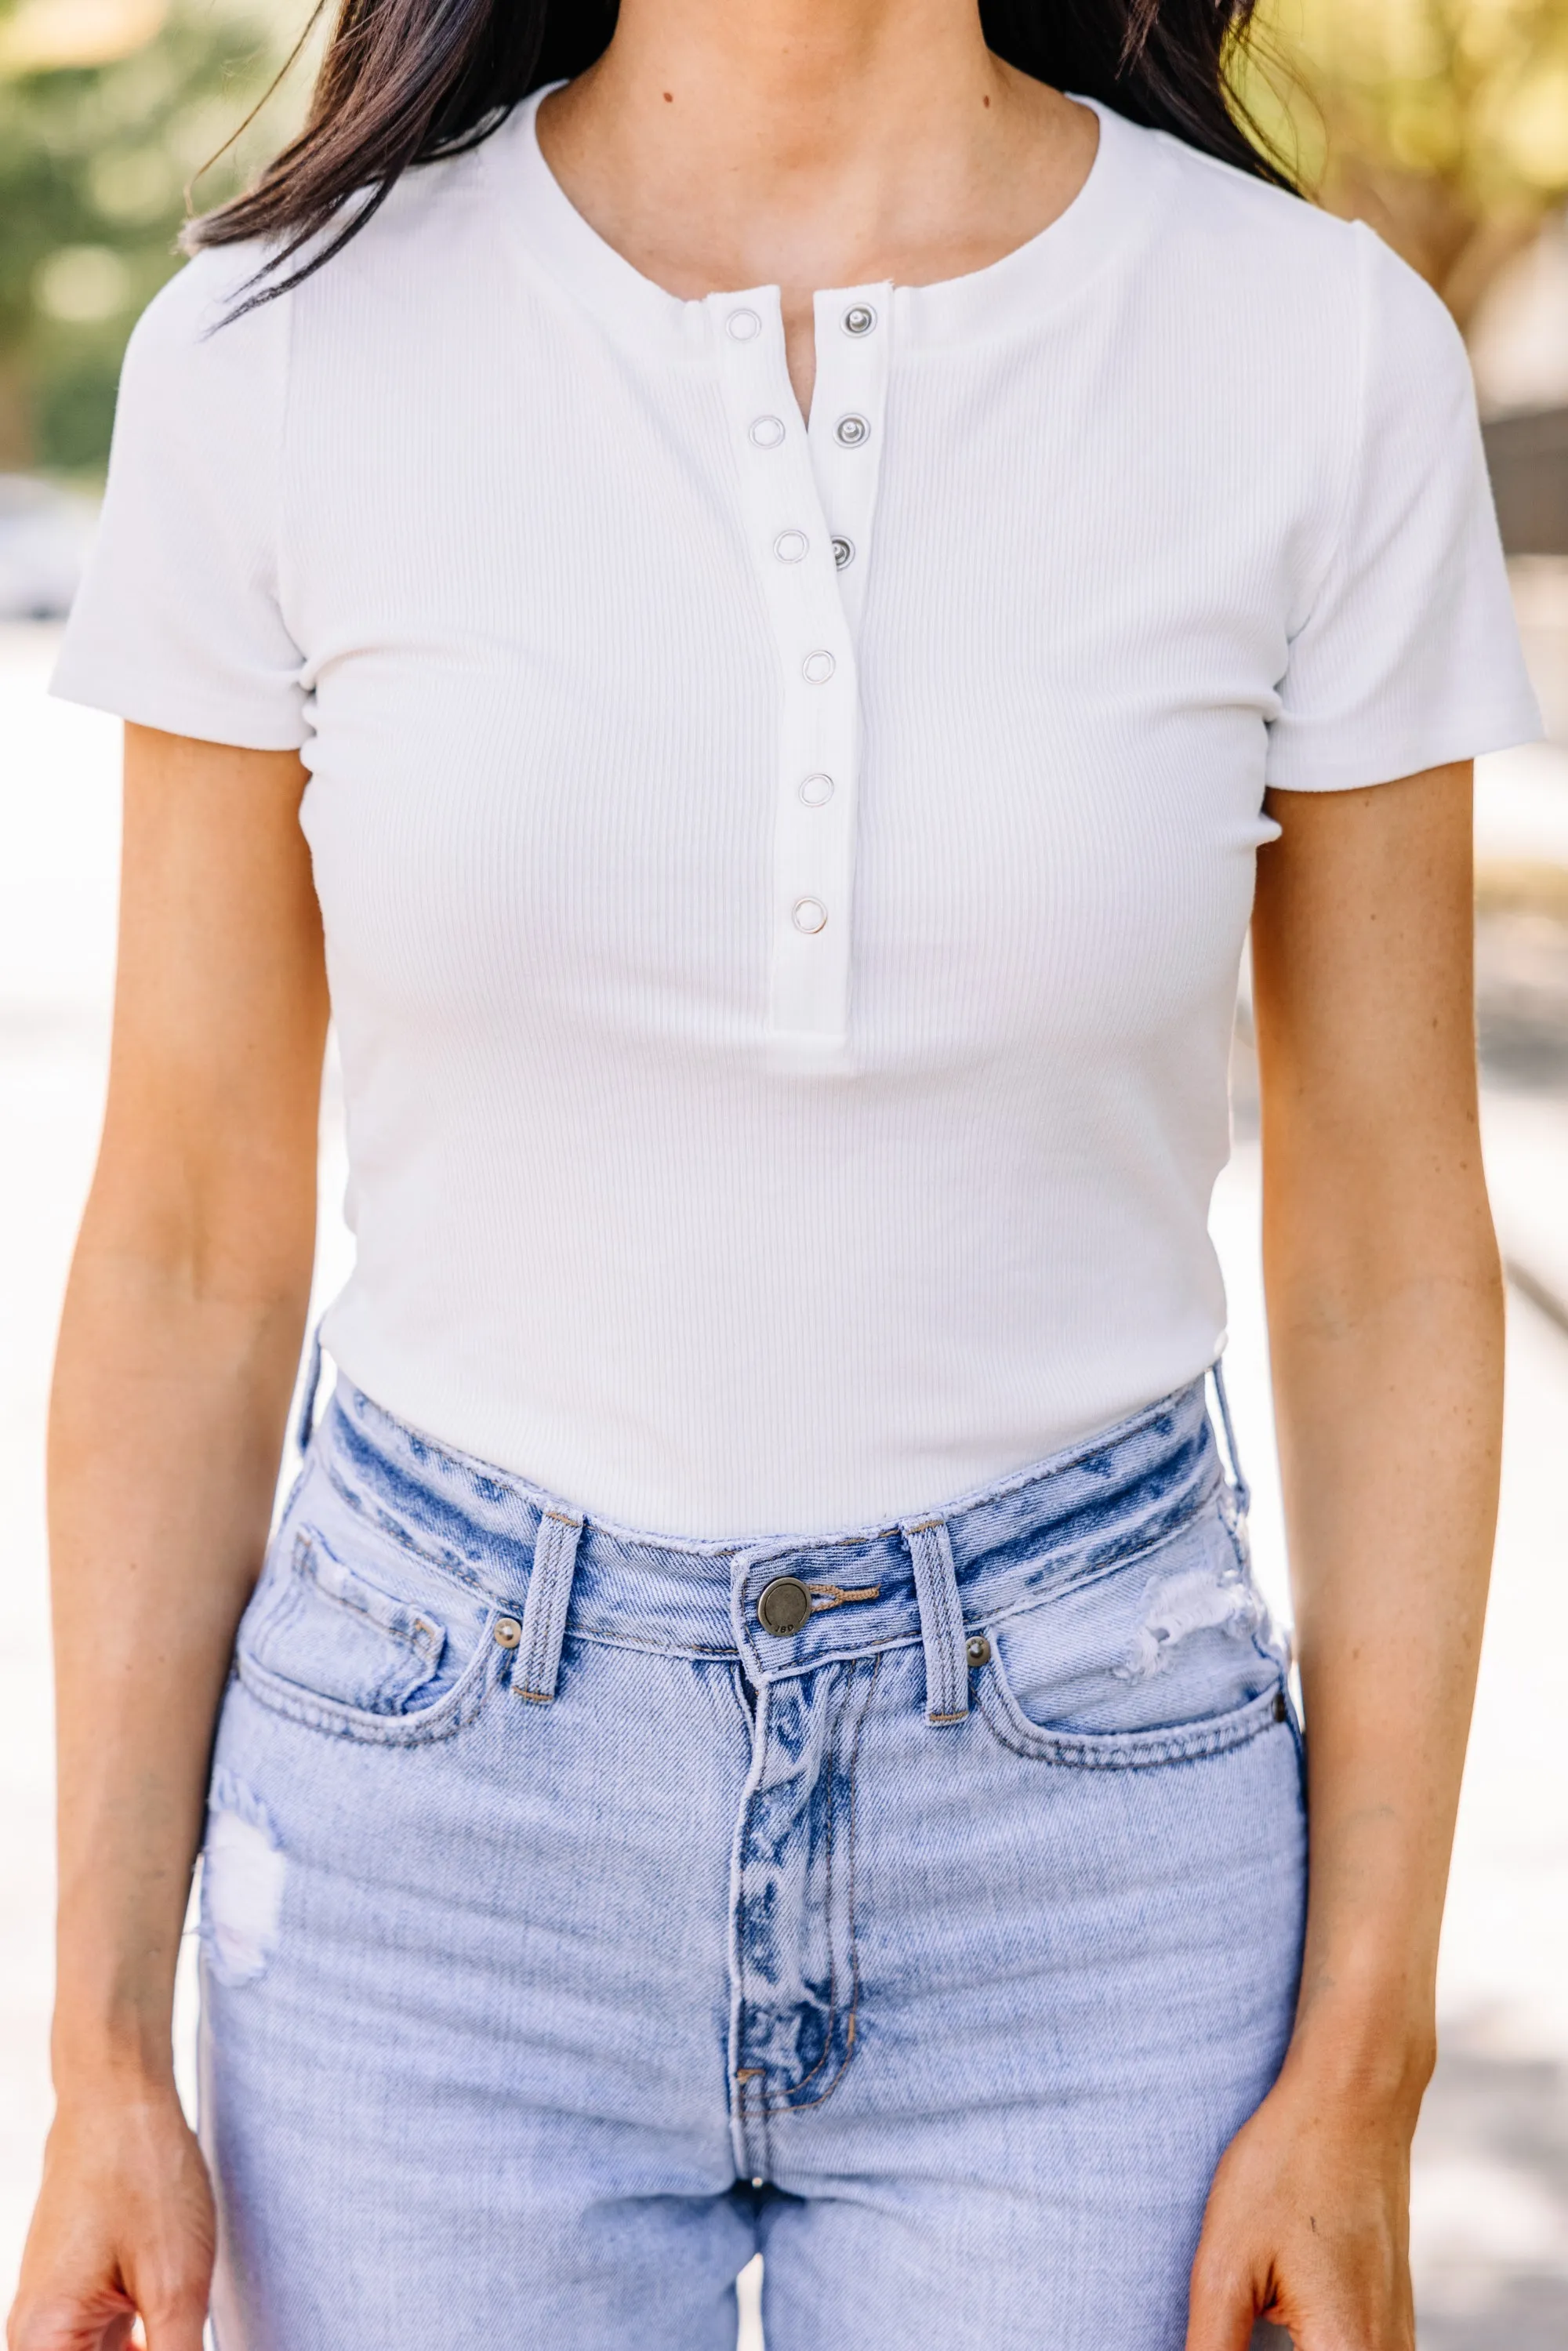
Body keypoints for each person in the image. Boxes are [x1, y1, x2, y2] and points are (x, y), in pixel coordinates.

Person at [9, 0, 1540, 2342]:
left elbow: (1392, 1265)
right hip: (432, 1855)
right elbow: (192, 1243)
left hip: (1091, 1854)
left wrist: (1366, 2053)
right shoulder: (282, 350)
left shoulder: (1314, 355)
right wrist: (105, 2036)